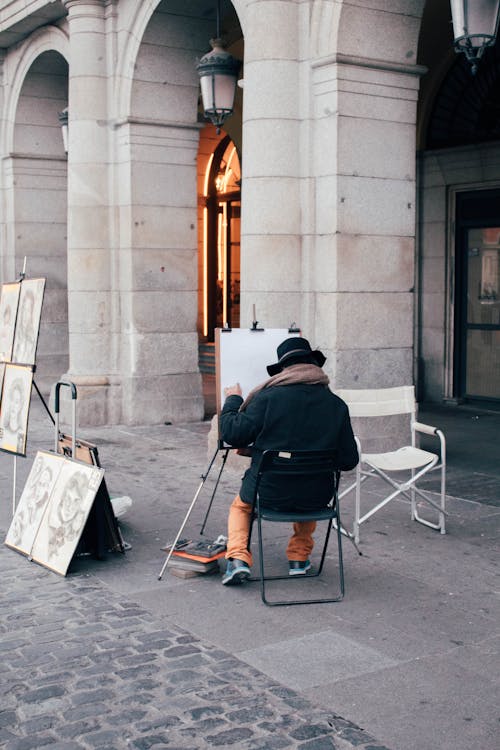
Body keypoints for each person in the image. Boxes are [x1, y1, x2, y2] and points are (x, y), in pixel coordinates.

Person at [219, 336, 359, 585]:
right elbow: (348, 460)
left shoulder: (268, 398)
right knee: (309, 489)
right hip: (316, 497)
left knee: (240, 507)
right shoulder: (336, 405)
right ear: (313, 367)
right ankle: (298, 558)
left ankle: (238, 558)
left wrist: (233, 399)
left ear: (283, 370)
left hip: (268, 493)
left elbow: (232, 433)